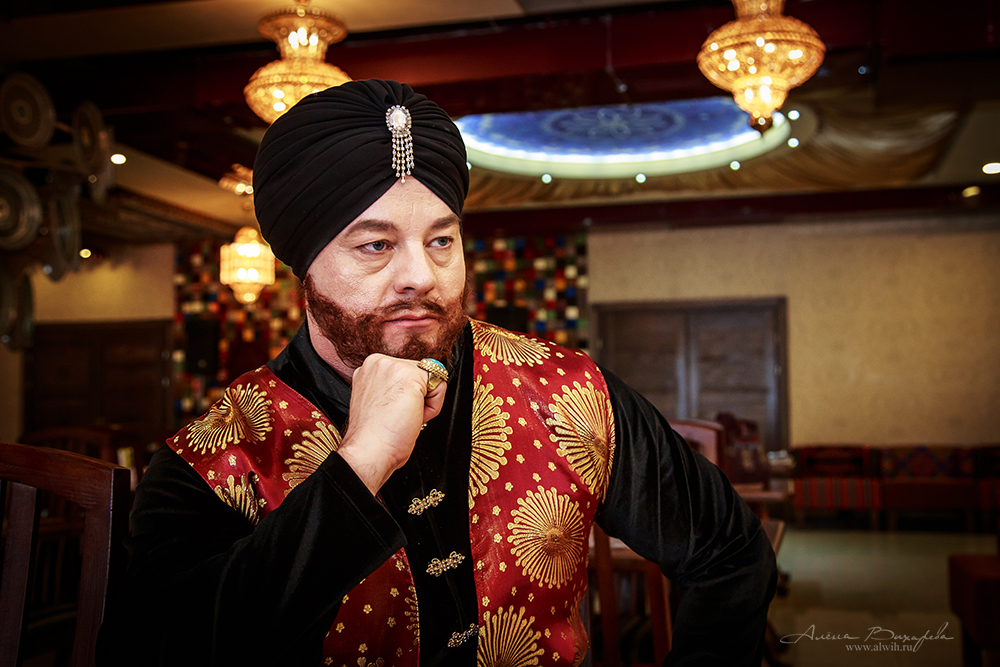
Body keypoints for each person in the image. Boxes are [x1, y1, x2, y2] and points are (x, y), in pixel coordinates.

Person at [97, 79, 776, 667]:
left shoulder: (567, 392)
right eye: (376, 244)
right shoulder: (215, 459)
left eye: (441, 240)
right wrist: (359, 465)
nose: (420, 275)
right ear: (304, 266)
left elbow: (731, 554)